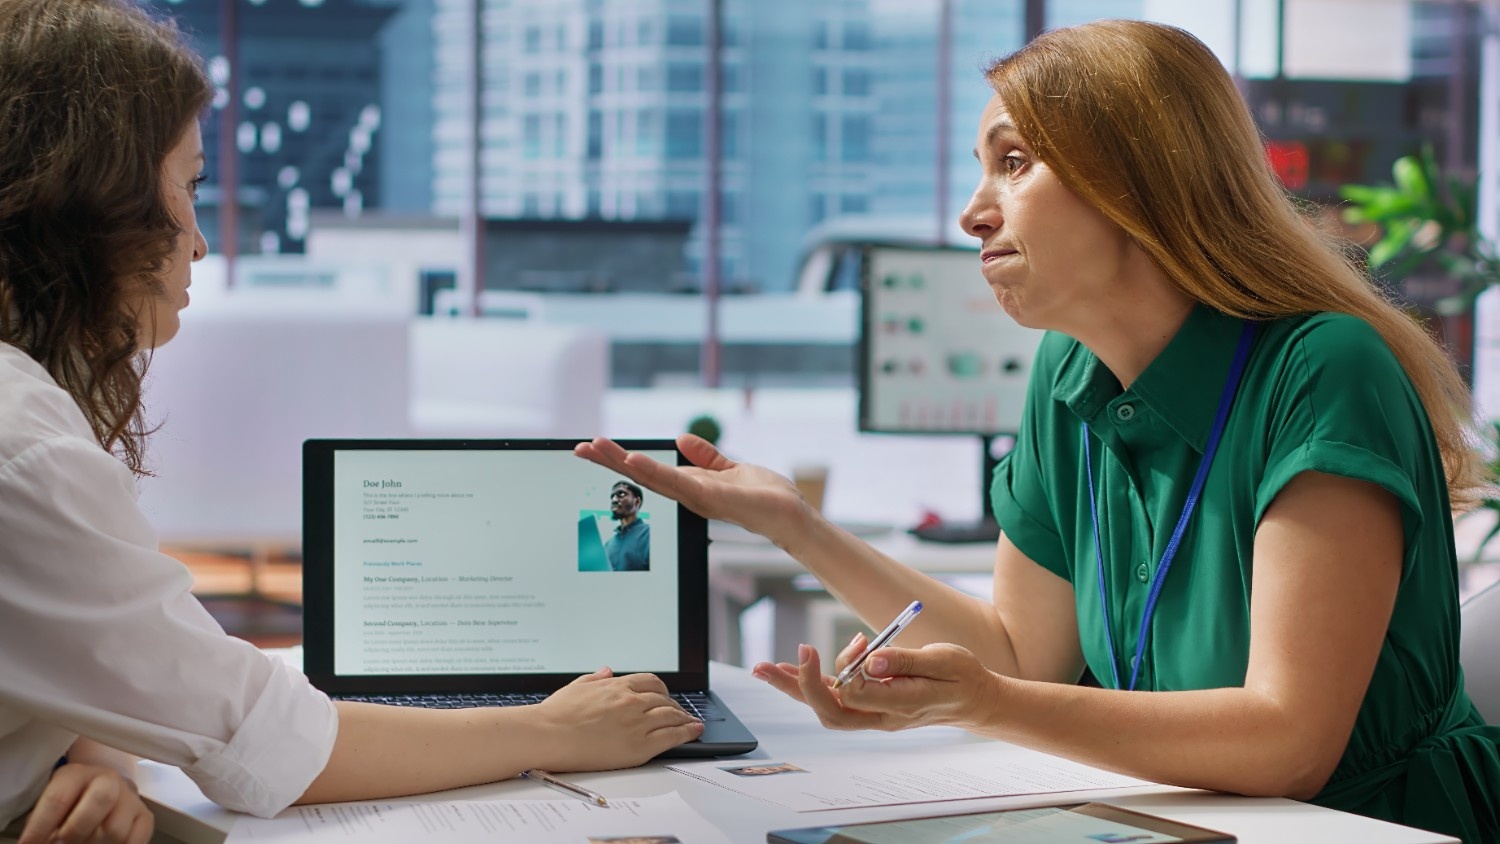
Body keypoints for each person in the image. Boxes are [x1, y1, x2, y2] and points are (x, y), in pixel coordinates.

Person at [577, 19, 1499, 843]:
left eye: (1013, 163)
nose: (973, 212)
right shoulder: (1068, 373)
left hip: (1356, 826)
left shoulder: (1324, 368)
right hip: (1182, 815)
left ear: (1140, 180)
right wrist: (797, 527)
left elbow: (1288, 743)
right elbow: (1021, 653)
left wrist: (992, 703)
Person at [0, 2, 702, 842]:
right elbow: (266, 744)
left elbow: (80, 647)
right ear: (94, 197)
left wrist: (90, 765)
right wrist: (555, 731)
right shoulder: (25, 445)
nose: (200, 242)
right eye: (187, 187)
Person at [605, 481, 651, 572]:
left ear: (637, 501)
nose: (614, 500)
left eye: (621, 494)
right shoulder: (608, 545)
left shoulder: (650, 535)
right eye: (612, 497)